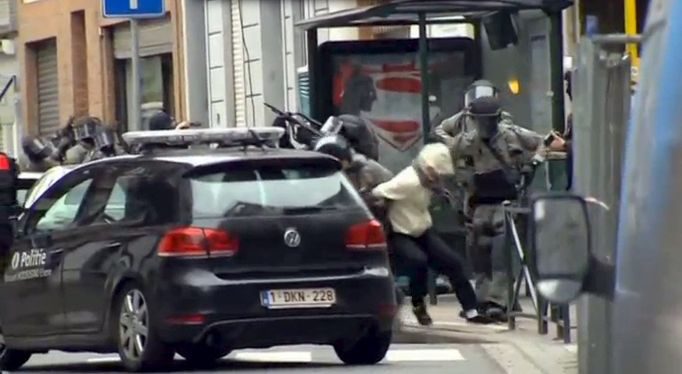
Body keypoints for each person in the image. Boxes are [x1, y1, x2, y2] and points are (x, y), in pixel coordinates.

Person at [450, 96, 565, 321]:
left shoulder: (512, 134)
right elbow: (443, 143)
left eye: (489, 120)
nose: (485, 125)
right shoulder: (466, 142)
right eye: (480, 120)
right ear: (473, 120)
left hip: (507, 204)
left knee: (501, 257)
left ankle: (498, 301)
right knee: (479, 256)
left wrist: (534, 163)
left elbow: (547, 139)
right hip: (478, 205)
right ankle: (482, 300)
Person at [372, 142, 495, 325]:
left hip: (422, 230)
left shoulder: (428, 182)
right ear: (426, 168)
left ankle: (471, 310)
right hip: (401, 232)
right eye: (436, 173)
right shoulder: (408, 181)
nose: (438, 178)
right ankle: (418, 303)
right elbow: (378, 191)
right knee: (417, 261)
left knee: (453, 264)